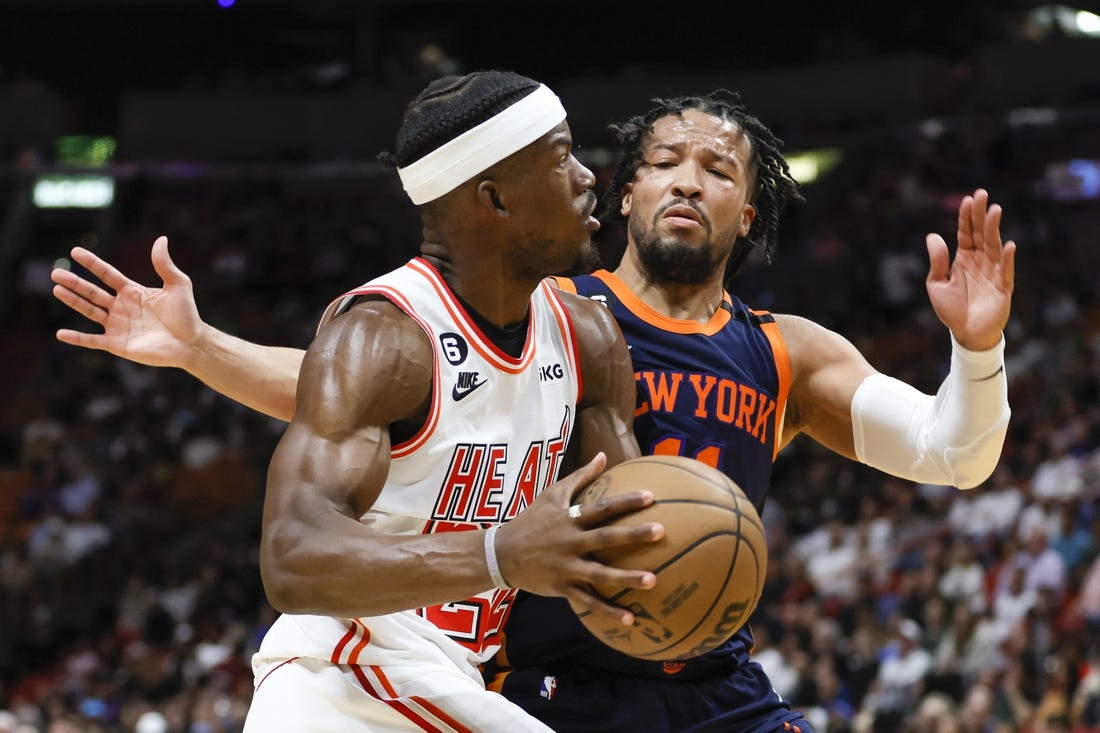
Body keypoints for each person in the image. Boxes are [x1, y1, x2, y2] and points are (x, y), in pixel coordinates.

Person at [51, 88, 1016, 732]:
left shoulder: (781, 350)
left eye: (719, 171)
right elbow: (358, 387)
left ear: (749, 213)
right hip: (550, 683)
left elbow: (953, 454)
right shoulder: (545, 306)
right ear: (626, 191)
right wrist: (202, 348)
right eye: (665, 161)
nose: (688, 179)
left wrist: (977, 349)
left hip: (707, 674)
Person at [58, 69, 674, 732]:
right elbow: (292, 556)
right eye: (561, 157)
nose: (587, 177)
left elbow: (629, 534)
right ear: (494, 199)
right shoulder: (385, 336)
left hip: (447, 679)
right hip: (346, 680)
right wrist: (499, 554)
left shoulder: (587, 336)